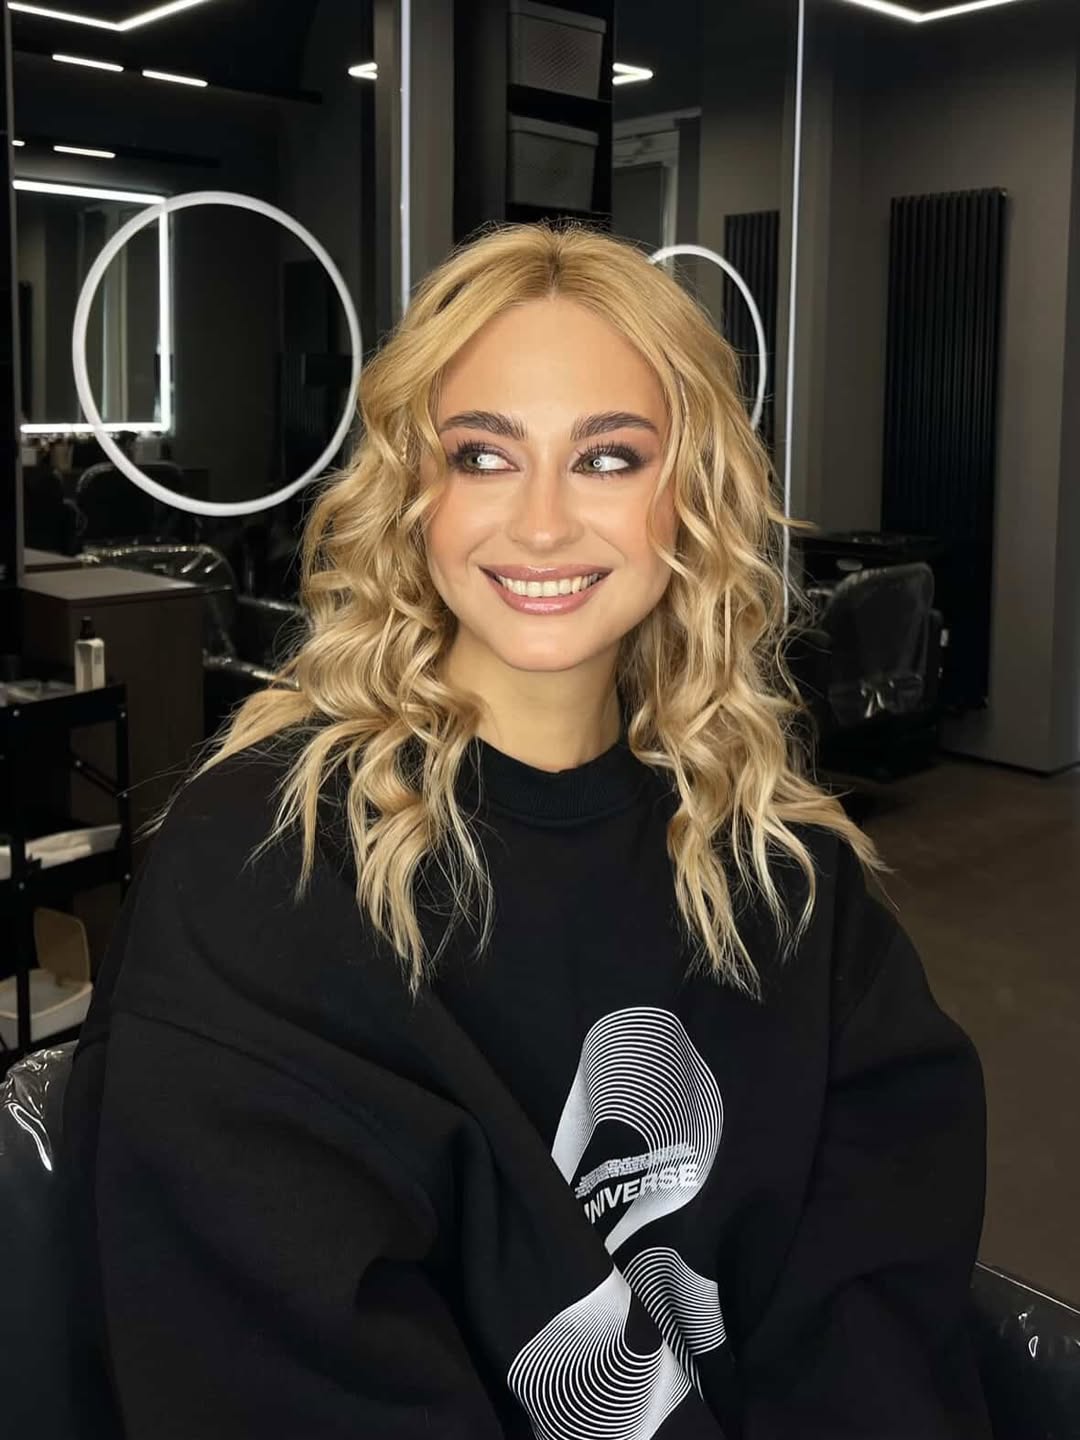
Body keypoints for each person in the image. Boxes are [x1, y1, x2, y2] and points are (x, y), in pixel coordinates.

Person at [62, 222, 991, 1439]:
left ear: (690, 497)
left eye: (607, 458)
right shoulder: (263, 871)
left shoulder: (786, 875)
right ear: (415, 495)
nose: (542, 524)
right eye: (485, 456)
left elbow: (878, 1309)